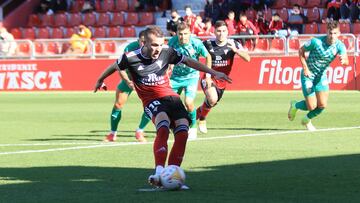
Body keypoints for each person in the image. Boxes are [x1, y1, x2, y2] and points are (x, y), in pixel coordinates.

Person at [94, 26, 231, 187]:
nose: (158, 49)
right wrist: (100, 79)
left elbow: (188, 61)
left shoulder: (167, 51)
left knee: (182, 130)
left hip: (170, 96)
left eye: (160, 44)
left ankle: (172, 173)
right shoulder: (131, 57)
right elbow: (114, 66)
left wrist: (213, 72)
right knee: (163, 124)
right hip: (151, 99)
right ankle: (159, 171)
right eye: (154, 45)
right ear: (144, 43)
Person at [288, 21, 349, 131]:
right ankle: (295, 105)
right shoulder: (316, 41)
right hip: (309, 75)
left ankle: (306, 119)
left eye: (335, 33)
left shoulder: (340, 45)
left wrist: (343, 60)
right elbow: (301, 50)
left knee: (322, 105)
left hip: (321, 77)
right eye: (330, 33)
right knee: (311, 106)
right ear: (327, 32)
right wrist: (305, 68)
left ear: (339, 33)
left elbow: (346, 60)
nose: (332, 36)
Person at [196, 20, 250, 134]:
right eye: (219, 31)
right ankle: (202, 119)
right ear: (214, 31)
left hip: (222, 82)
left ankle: (185, 120)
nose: (221, 33)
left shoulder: (234, 43)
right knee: (212, 99)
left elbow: (247, 58)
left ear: (227, 32)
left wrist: (236, 51)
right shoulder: (207, 44)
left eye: (224, 31)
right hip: (208, 77)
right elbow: (194, 54)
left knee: (210, 103)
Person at [103, 30, 150, 142]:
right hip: (129, 78)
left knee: (151, 106)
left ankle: (140, 131)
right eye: (141, 41)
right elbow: (120, 67)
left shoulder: (154, 49)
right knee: (118, 105)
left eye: (146, 42)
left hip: (147, 80)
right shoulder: (130, 48)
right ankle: (112, 133)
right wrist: (128, 81)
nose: (143, 44)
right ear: (138, 40)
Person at [168, 22, 212, 140]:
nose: (183, 37)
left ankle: (192, 127)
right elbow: (166, 57)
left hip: (191, 77)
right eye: (180, 34)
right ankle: (173, 125)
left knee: (188, 102)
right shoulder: (172, 42)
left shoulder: (196, 43)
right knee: (168, 103)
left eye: (186, 34)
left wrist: (207, 75)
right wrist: (168, 68)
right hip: (175, 77)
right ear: (176, 34)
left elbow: (208, 56)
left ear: (190, 33)